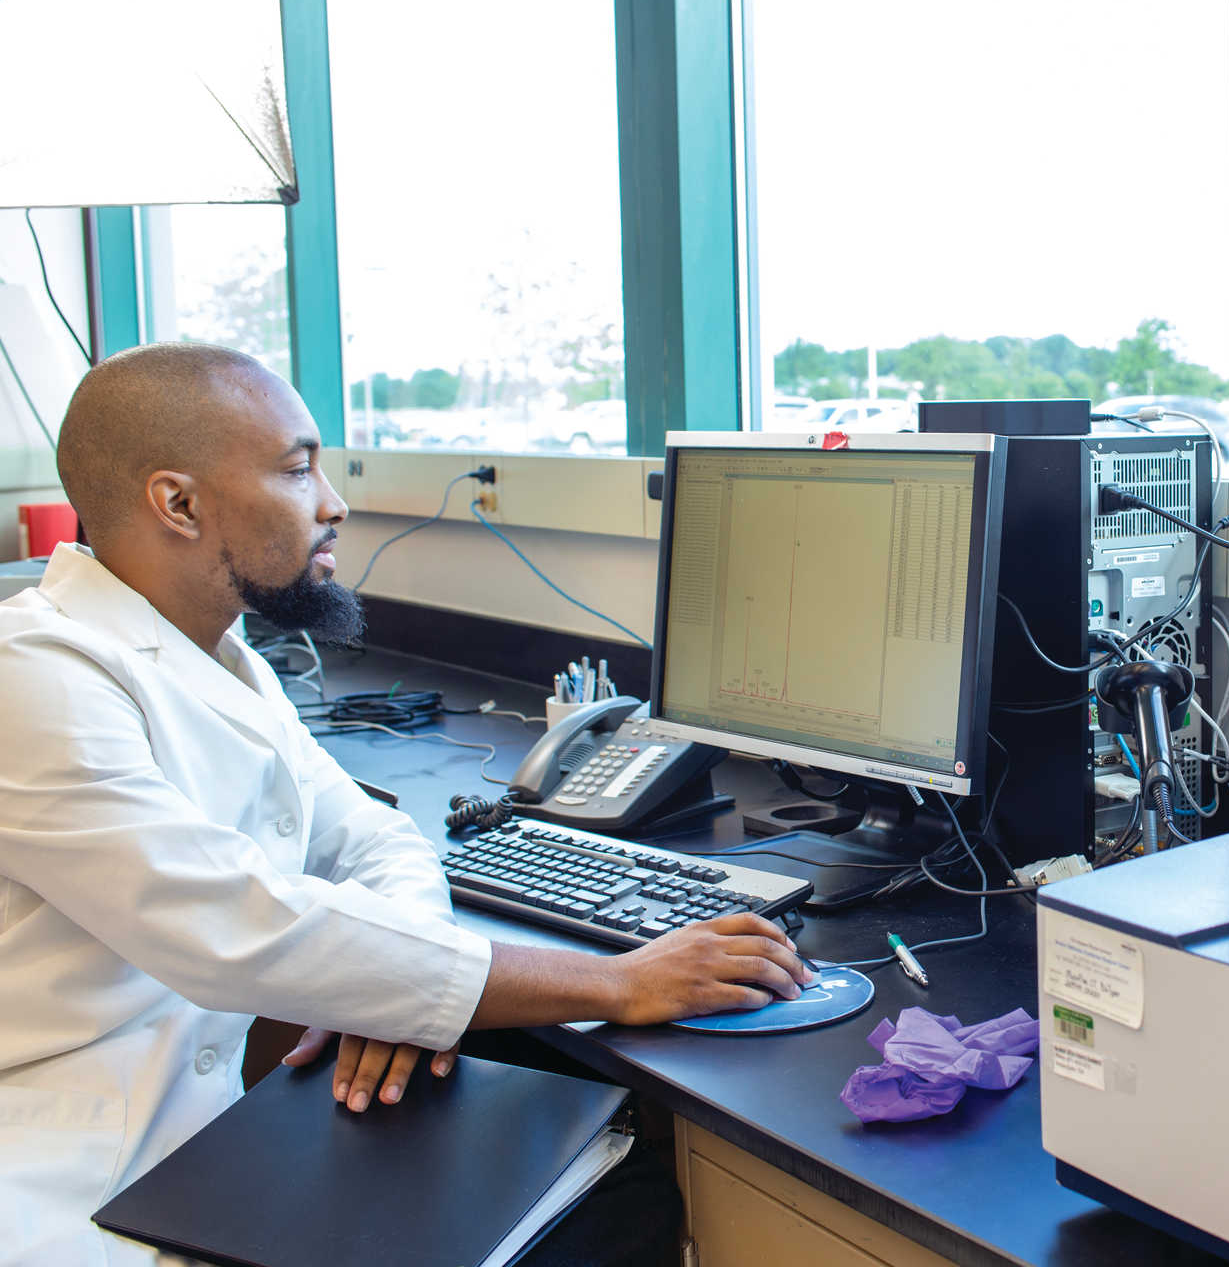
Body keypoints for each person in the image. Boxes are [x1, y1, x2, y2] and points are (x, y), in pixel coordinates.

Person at [0, 342, 811, 1265]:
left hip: (198, 1147)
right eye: (298, 470)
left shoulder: (220, 658)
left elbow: (373, 839)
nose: (333, 503)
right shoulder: (33, 677)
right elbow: (241, 929)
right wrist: (619, 982)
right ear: (178, 503)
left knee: (621, 1200)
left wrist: (393, 997)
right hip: (60, 1177)